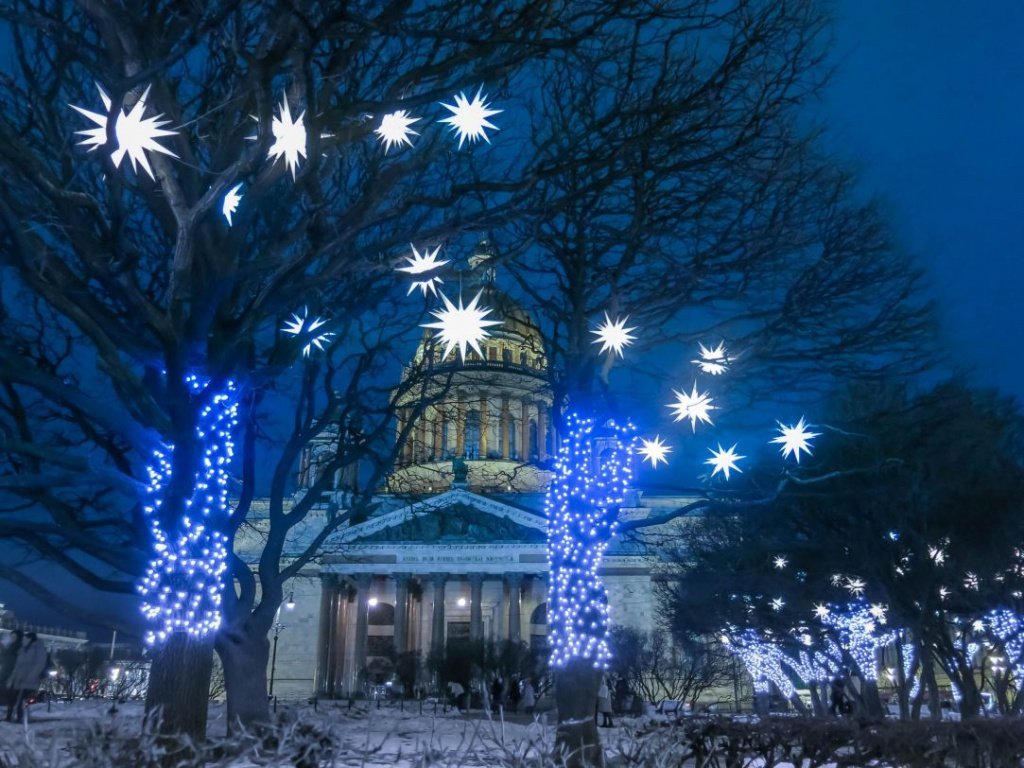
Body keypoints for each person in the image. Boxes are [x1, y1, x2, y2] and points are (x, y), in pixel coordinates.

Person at [5, 632, 47, 724]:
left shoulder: (38, 648)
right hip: (19, 680)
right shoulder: (23, 649)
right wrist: (11, 679)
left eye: (25, 638)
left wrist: (31, 676)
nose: (23, 640)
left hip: (30, 680)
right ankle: (9, 717)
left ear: (30, 639)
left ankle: (20, 718)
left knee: (21, 700)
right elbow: (17, 666)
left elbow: (40, 663)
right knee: (13, 698)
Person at [0, 631, 23, 720]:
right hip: (6, 673)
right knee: (10, 697)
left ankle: (18, 716)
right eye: (11, 636)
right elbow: (4, 658)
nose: (12, 638)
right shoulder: (10, 646)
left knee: (15, 697)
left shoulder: (20, 648)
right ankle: (9, 716)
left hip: (15, 675)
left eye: (14, 636)